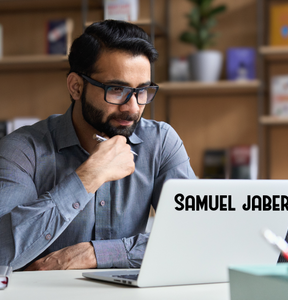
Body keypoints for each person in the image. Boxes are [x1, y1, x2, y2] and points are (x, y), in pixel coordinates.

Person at [0, 20, 196, 271]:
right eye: (116, 89)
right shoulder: (22, 150)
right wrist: (88, 177)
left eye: (142, 91)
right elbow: (3, 252)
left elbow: (195, 236)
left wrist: (94, 254)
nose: (133, 107)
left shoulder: (160, 142)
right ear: (76, 87)